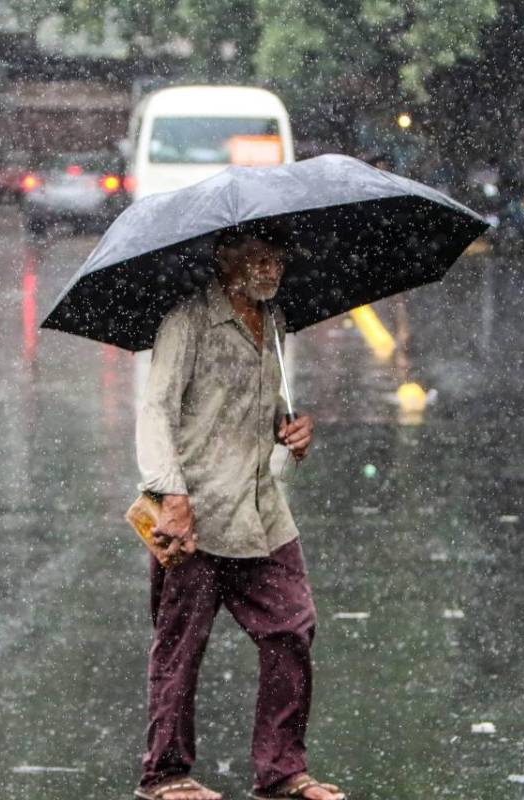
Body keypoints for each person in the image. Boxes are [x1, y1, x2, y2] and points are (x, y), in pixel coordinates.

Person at [133, 226, 344, 800]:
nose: (270, 268)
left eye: (277, 257)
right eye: (257, 256)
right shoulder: (188, 321)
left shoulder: (273, 324)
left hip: (260, 511)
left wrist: (290, 426)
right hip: (195, 512)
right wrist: (169, 494)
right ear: (224, 257)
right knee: (181, 646)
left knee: (292, 628)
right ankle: (166, 775)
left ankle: (282, 773)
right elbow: (155, 411)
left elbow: (258, 404)